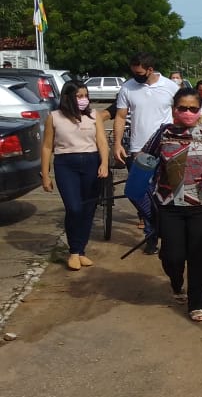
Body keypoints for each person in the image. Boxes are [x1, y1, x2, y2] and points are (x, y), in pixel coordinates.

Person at [141, 89, 202, 321]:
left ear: (200, 110)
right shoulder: (163, 134)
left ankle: (196, 304)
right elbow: (144, 158)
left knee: (201, 255)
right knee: (172, 256)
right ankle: (176, 281)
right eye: (183, 108)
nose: (188, 112)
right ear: (174, 109)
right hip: (169, 204)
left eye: (193, 108)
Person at [112, 52, 181, 249]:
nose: (136, 76)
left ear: (150, 69)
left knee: (166, 193)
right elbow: (120, 116)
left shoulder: (170, 87)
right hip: (139, 150)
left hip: (167, 148)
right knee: (137, 192)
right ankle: (154, 228)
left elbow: (181, 114)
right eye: (133, 72)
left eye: (140, 73)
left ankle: (160, 235)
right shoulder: (128, 87)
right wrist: (117, 143)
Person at [40, 81, 110, 270]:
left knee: (88, 209)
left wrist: (104, 163)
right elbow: (47, 147)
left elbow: (102, 141)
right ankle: (73, 251)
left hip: (91, 163)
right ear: (68, 97)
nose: (83, 99)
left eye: (85, 96)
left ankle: (80, 251)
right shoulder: (54, 117)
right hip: (66, 165)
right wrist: (45, 174)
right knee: (74, 208)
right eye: (79, 96)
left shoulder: (94, 116)